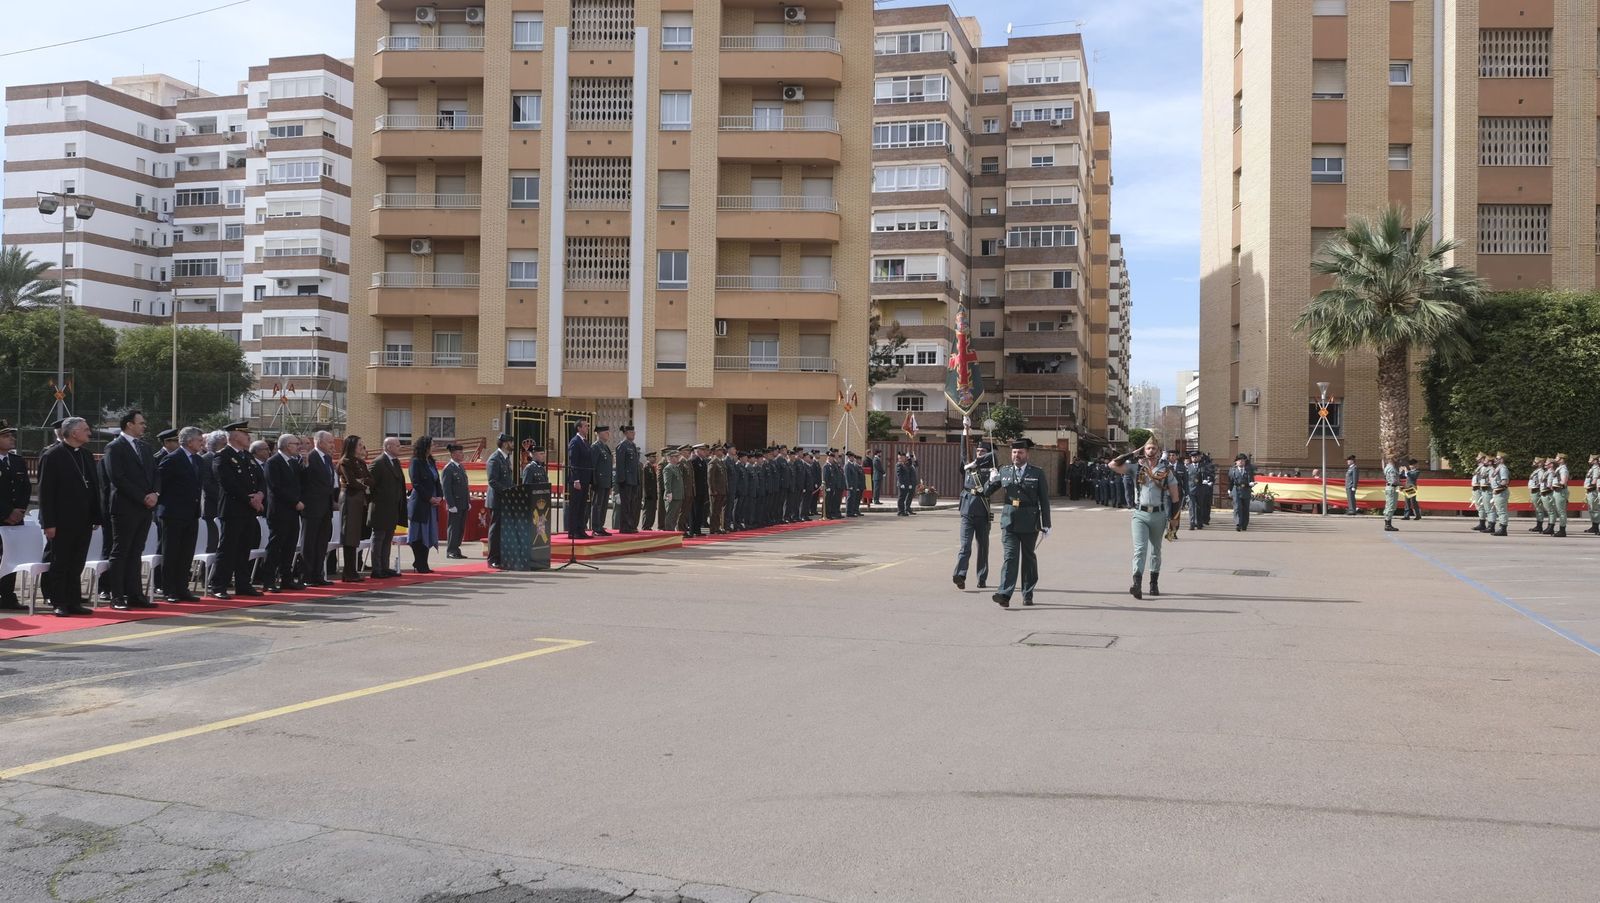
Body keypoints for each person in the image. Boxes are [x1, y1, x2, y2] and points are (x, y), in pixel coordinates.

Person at [38, 417, 102, 617]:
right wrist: (48, 523)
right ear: (73, 433)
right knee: (61, 562)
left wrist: (95, 517)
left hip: (83, 520)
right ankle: (59, 601)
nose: (89, 432)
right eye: (85, 429)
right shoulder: (52, 456)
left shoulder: (86, 455)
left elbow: (93, 488)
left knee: (77, 563)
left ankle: (74, 601)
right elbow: (45, 493)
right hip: (61, 521)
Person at [977, 438, 1051, 608]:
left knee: (1028, 559)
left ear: (1027, 454)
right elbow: (986, 492)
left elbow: (1044, 500)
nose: (1017, 455)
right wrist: (991, 479)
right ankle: (1004, 594)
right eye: (1014, 452)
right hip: (1009, 521)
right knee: (1010, 558)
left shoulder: (1037, 473)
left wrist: (1046, 523)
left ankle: (1027, 592)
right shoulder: (1004, 471)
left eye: (1020, 452)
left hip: (1030, 522)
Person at [1112, 438, 1181, 599]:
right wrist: (1133, 452)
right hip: (1140, 514)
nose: (1150, 451)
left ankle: (1153, 583)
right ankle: (1137, 584)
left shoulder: (1166, 471)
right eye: (1148, 448)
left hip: (1159, 514)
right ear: (1144, 451)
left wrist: (1174, 519)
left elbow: (1175, 497)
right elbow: (1113, 465)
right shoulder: (1136, 468)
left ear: (1158, 451)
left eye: (1153, 448)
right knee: (1140, 549)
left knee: (1156, 550)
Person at [105, 409, 160, 610]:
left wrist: (155, 494)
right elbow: (117, 477)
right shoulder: (115, 447)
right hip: (125, 506)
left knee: (136, 550)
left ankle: (135, 594)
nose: (144, 426)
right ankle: (117, 595)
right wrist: (142, 497)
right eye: (141, 423)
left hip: (146, 507)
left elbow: (155, 473)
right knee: (121, 551)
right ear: (129, 424)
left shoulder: (145, 447)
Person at [207, 421, 265, 599]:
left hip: (249, 510)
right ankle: (218, 585)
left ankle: (243, 583)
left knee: (244, 548)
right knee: (228, 548)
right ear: (233, 436)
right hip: (233, 509)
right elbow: (228, 483)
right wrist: (250, 499)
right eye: (244, 433)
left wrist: (260, 494)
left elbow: (260, 477)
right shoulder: (222, 456)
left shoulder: (247, 456)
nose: (248, 437)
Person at [154, 426, 205, 603]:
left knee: (186, 552)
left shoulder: (197, 460)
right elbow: (160, 484)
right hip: (173, 513)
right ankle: (169, 589)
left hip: (191, 513)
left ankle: (182, 588)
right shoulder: (172, 459)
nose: (202, 443)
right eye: (199, 440)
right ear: (189, 441)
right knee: (171, 552)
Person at [263, 433, 306, 593]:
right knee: (276, 546)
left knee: (290, 546)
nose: (299, 447)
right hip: (279, 511)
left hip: (293, 512)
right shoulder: (273, 462)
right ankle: (269, 580)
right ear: (288, 445)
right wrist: (295, 502)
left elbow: (299, 484)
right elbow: (275, 487)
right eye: (296, 444)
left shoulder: (294, 463)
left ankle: (286, 578)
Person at [0, 420, 33, 611]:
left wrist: (19, 510)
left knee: (10, 557)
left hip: (14, 520)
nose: (11, 438)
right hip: (2, 518)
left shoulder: (17, 461)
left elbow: (25, 489)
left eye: (11, 435)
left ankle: (7, 595)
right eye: (5, 436)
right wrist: (6, 513)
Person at [299, 431, 338, 586]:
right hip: (312, 507)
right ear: (319, 442)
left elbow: (330, 482)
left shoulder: (327, 459)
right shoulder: (311, 457)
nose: (332, 445)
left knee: (322, 542)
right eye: (329, 442)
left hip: (325, 507)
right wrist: (305, 464)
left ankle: (318, 574)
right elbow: (304, 479)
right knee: (309, 543)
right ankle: (307, 576)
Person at [952, 445, 993, 590]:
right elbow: (963, 451)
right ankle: (960, 575)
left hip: (982, 512)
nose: (980, 453)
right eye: (978, 451)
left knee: (983, 548)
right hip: (967, 512)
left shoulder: (991, 469)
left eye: (983, 451)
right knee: (965, 546)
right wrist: (965, 428)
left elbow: (994, 454)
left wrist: (993, 479)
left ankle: (982, 577)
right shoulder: (968, 467)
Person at [368, 436, 407, 578]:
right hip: (380, 508)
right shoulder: (378, 463)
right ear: (388, 447)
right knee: (378, 538)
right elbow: (369, 485)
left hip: (392, 508)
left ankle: (385, 567)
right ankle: (376, 569)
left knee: (387, 539)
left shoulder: (395, 462)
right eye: (397, 445)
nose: (400, 447)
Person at [337, 435, 371, 582]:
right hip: (350, 499)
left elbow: (371, 480)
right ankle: (348, 571)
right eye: (359, 445)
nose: (361, 448)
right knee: (349, 534)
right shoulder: (345, 462)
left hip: (359, 500)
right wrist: (363, 483)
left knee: (356, 534)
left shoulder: (361, 462)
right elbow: (351, 482)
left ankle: (353, 569)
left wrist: (362, 482)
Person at [408, 435, 443, 573]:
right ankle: (419, 562)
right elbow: (416, 483)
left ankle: (424, 563)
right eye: (432, 444)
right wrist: (429, 498)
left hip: (432, 504)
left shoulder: (431, 462)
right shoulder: (416, 462)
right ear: (425, 446)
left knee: (428, 533)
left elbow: (437, 481)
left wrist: (440, 496)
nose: (434, 447)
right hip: (421, 503)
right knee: (419, 534)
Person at [484, 433, 514, 565]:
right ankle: (493, 559)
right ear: (505, 443)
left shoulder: (506, 458)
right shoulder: (495, 459)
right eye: (511, 442)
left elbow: (507, 479)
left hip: (505, 499)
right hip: (497, 499)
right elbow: (492, 481)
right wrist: (507, 491)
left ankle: (501, 556)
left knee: (503, 530)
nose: (513, 445)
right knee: (495, 530)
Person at [441, 443, 471, 558]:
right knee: (453, 528)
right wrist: (450, 504)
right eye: (459, 453)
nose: (462, 455)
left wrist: (468, 501)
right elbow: (446, 488)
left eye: (462, 452)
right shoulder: (449, 468)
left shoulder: (460, 467)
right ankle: (451, 550)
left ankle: (456, 549)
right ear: (453, 454)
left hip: (462, 503)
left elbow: (465, 486)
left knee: (460, 528)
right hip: (455, 504)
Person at [566, 421, 594, 540]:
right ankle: (573, 531)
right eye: (585, 426)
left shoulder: (585, 441)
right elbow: (573, 462)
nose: (587, 428)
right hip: (577, 480)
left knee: (583, 506)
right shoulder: (575, 442)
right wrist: (576, 479)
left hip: (585, 478)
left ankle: (580, 529)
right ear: (579, 428)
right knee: (575, 506)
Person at [199, 430, 226, 553]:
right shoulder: (205, 460)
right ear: (214, 444)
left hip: (225, 509)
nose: (226, 446)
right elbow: (207, 485)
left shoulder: (224, 458)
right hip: (212, 508)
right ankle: (206, 572)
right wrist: (224, 496)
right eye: (223, 444)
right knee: (213, 543)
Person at [590, 425, 616, 537]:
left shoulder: (605, 447)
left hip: (606, 481)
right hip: (599, 481)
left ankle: (600, 526)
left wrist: (610, 483)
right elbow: (593, 466)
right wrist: (594, 481)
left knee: (604, 505)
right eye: (606, 432)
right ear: (599, 433)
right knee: (597, 504)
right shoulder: (595, 447)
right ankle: (595, 527)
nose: (608, 434)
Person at [615, 425, 642, 533]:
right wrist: (621, 481)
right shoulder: (622, 446)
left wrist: (637, 480)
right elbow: (620, 465)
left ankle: (631, 525)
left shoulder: (633, 446)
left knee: (632, 504)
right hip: (626, 481)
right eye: (631, 432)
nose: (633, 434)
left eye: (634, 432)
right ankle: (625, 527)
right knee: (626, 504)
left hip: (633, 480)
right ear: (626, 433)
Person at [663, 448, 686, 536]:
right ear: (670, 458)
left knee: (675, 516)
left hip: (678, 496)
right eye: (675, 457)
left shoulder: (676, 468)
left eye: (677, 456)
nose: (677, 458)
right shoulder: (668, 468)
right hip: (672, 496)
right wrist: (669, 493)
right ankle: (669, 534)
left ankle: (672, 533)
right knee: (670, 516)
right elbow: (667, 482)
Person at [1229, 453, 1254, 532]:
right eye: (1239, 461)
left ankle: (1244, 524)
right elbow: (1230, 481)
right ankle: (1238, 524)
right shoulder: (1232, 470)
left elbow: (1251, 480)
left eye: (1242, 461)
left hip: (1246, 490)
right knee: (1237, 507)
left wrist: (1251, 484)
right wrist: (1229, 490)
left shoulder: (1248, 470)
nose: (1241, 462)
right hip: (1236, 489)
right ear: (1236, 462)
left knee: (1245, 508)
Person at [1547, 454, 1570, 537]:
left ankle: (1562, 530)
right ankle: (1561, 529)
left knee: (1561, 512)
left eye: (1557, 457)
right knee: (1559, 511)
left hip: (1561, 491)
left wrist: (1554, 485)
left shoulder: (1563, 469)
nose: (1555, 458)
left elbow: (1563, 481)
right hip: (1557, 491)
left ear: (1562, 459)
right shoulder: (1559, 468)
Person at [1488, 452, 1510, 537]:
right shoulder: (1499, 468)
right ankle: (1501, 528)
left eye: (1497, 458)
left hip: (1500, 492)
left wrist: (1497, 490)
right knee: (1499, 510)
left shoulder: (1503, 468)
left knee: (1502, 511)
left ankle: (1503, 529)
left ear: (1501, 460)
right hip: (1497, 491)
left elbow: (1504, 481)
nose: (1495, 460)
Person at [707, 445, 729, 534]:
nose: (721, 452)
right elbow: (710, 478)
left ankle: (717, 527)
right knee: (714, 510)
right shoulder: (713, 462)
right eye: (719, 450)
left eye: (721, 450)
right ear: (715, 452)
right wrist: (712, 490)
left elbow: (724, 478)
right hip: (715, 491)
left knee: (718, 510)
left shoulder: (721, 462)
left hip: (722, 490)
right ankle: (713, 528)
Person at [1381, 454, 1401, 533]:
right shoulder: (1392, 468)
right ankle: (1388, 525)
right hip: (1392, 488)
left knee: (1388, 505)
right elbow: (1394, 481)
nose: (1398, 461)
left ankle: (1387, 523)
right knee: (1391, 506)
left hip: (1389, 487)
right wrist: (1404, 485)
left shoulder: (1387, 467)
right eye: (1396, 458)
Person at [640, 450, 659, 531]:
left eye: (655, 457)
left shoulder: (651, 467)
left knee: (652, 511)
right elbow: (644, 482)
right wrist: (646, 494)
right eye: (652, 457)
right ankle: (645, 526)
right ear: (648, 458)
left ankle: (649, 526)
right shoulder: (646, 467)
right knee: (647, 511)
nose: (654, 458)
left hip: (653, 494)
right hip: (648, 494)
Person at [1527, 457, 1547, 533]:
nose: (1533, 463)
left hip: (1537, 491)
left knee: (1539, 509)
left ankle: (1539, 525)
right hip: (1534, 491)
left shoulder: (1540, 471)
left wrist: (1538, 490)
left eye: (1535, 462)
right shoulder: (1536, 471)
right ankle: (1538, 524)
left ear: (1540, 463)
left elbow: (1540, 482)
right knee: (1537, 509)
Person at [894, 452, 915, 516]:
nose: (904, 458)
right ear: (900, 458)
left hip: (906, 484)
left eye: (904, 457)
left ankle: (902, 511)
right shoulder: (899, 464)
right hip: (902, 484)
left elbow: (910, 465)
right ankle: (900, 511)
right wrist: (901, 483)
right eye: (902, 457)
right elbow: (899, 475)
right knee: (901, 498)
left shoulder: (904, 464)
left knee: (903, 498)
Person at [845, 452, 865, 517]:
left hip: (854, 485)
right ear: (849, 457)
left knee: (853, 499)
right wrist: (849, 486)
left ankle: (852, 512)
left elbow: (855, 476)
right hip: (851, 486)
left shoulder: (852, 465)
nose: (853, 458)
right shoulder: (847, 465)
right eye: (852, 457)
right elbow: (848, 477)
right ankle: (848, 512)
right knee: (850, 498)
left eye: (853, 457)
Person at [1585, 453, 1600, 535]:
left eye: (1591, 459)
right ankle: (1594, 526)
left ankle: (1596, 527)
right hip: (1590, 490)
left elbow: (1594, 480)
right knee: (1591, 509)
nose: (1589, 460)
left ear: (1595, 461)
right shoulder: (1592, 468)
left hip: (1593, 491)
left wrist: (1590, 487)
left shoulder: (1596, 469)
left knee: (1595, 509)